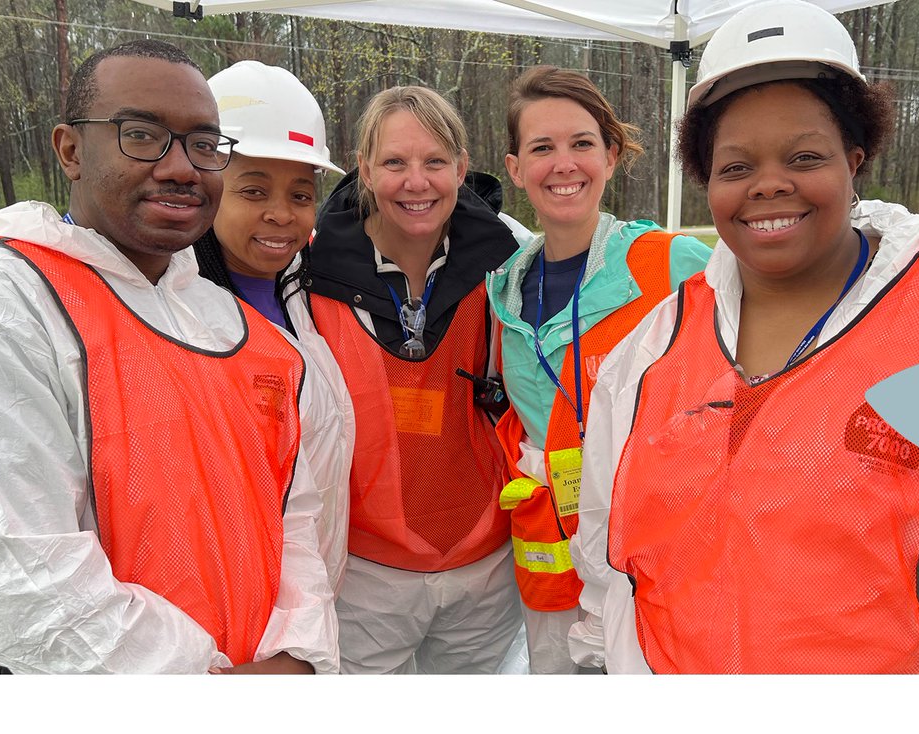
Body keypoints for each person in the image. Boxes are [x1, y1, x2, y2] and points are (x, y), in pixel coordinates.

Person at [569, 0, 919, 674]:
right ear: (707, 182)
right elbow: (608, 546)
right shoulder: (654, 347)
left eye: (804, 156)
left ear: (854, 159)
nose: (769, 185)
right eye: (736, 167)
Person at [0, 40, 339, 674]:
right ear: (71, 150)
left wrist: (298, 657)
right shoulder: (1, 304)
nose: (181, 167)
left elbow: (296, 525)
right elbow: (12, 568)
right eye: (142, 135)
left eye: (202, 144)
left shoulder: (242, 331)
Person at [487, 66, 711, 674]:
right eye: (542, 148)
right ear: (515, 169)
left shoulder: (670, 263)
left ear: (611, 156)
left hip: (655, 556)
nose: (564, 164)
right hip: (553, 564)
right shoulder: (504, 288)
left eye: (582, 143)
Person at [306, 85, 522, 674]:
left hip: (484, 565)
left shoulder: (512, 264)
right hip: (364, 573)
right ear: (365, 169)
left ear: (460, 166)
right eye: (395, 162)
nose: (416, 182)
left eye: (433, 162)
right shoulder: (307, 272)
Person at [193, 59, 354, 593]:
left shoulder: (307, 290)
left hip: (311, 593)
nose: (282, 214)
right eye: (254, 191)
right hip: (236, 601)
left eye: (301, 194)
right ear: (209, 185)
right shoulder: (176, 314)